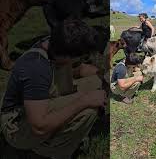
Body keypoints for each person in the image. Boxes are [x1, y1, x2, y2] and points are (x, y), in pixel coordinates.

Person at [0, 19, 107, 159]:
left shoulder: (56, 44)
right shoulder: (36, 67)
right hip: (18, 126)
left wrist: (103, 76)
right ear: (69, 56)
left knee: (100, 83)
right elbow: (39, 126)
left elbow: (78, 70)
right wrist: (84, 101)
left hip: (43, 102)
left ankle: (54, 138)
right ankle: (47, 153)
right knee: (88, 110)